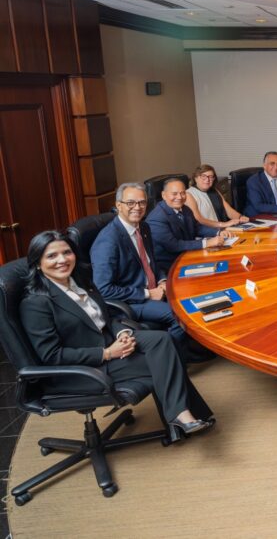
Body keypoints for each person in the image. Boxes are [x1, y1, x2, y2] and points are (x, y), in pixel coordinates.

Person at [21, 230, 214, 441]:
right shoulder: (36, 304)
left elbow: (107, 316)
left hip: (109, 341)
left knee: (163, 339)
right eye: (52, 256)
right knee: (164, 360)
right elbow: (52, 356)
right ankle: (181, 417)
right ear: (38, 263)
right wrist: (107, 353)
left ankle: (181, 419)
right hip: (84, 368)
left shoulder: (80, 282)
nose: (62, 260)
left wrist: (122, 332)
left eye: (67, 252)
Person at [91, 183, 187, 350]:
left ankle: (187, 348)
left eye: (142, 202)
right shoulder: (108, 241)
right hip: (131, 302)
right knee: (181, 314)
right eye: (131, 203)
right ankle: (167, 356)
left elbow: (151, 262)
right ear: (118, 205)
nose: (137, 207)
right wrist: (148, 293)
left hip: (154, 290)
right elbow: (103, 289)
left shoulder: (143, 227)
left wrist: (163, 280)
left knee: (193, 295)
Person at [146, 178, 233, 272]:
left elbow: (197, 228)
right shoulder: (156, 218)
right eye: (174, 194)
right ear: (164, 195)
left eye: (183, 193)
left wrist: (218, 232)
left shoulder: (185, 209)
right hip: (171, 266)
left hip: (189, 256)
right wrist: (207, 243)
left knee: (227, 263)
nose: (179, 197)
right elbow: (174, 246)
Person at [184, 164, 249, 229]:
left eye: (211, 177)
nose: (207, 179)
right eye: (203, 176)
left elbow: (228, 210)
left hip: (222, 229)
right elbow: (198, 219)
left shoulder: (214, 191)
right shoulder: (189, 194)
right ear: (196, 178)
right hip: (207, 232)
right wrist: (223, 224)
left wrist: (240, 217)